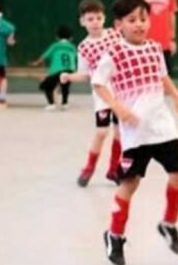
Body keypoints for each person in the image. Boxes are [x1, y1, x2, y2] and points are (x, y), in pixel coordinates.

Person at [93, 0, 178, 265]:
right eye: (132, 20)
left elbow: (162, 77)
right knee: (129, 184)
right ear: (118, 25)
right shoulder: (114, 53)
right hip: (135, 132)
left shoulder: (155, 48)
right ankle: (115, 235)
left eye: (143, 19)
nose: (139, 25)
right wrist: (117, 107)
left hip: (162, 127)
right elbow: (98, 84)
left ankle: (168, 224)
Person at [61, 0, 123, 187]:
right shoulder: (84, 47)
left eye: (98, 18)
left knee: (120, 133)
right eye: (90, 19)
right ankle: (88, 168)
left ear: (104, 19)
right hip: (101, 93)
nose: (95, 22)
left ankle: (114, 170)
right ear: (82, 22)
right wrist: (69, 77)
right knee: (102, 132)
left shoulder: (115, 35)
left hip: (121, 90)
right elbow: (84, 74)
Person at [33, 25, 77, 111]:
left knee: (46, 86)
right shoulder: (72, 47)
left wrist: (37, 63)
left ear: (57, 37)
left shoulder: (55, 46)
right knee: (65, 86)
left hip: (57, 70)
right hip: (70, 70)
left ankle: (51, 104)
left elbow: (44, 56)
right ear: (71, 38)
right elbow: (76, 57)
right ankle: (65, 104)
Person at [144, 0, 177, 75]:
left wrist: (172, 39)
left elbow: (172, 15)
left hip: (164, 44)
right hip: (144, 44)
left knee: (166, 75)